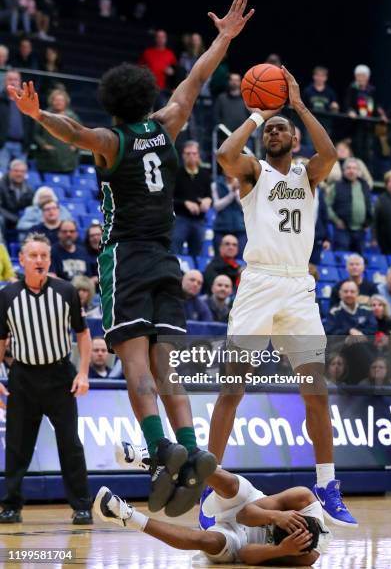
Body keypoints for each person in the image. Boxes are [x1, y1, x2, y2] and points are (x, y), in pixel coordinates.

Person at [7, 0, 255, 517]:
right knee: (170, 369)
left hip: (127, 261)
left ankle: (162, 448)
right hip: (169, 260)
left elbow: (73, 132)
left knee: (136, 363)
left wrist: (37, 114)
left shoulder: (112, 141)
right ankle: (191, 447)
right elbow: (194, 82)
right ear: (145, 96)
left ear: (113, 102)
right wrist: (224, 38)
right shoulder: (168, 124)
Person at [207, 65, 357, 526]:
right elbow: (224, 155)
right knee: (233, 387)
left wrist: (298, 106)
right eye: (269, 129)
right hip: (259, 283)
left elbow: (329, 152)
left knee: (316, 389)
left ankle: (327, 485)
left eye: (281, 129)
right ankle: (208, 492)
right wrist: (257, 113)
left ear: (293, 140)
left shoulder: (308, 175)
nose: (274, 131)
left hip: (298, 287)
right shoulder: (253, 173)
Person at [0, 233, 93, 525]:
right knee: (17, 445)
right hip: (23, 376)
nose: (39, 260)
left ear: (50, 260)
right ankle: (11, 506)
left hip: (59, 376)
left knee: (70, 443)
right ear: (22, 260)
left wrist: (83, 372)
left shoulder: (66, 291)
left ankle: (81, 506)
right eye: (34, 255)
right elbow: (1, 340)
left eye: (44, 255)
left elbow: (83, 333)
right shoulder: (7, 296)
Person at [94, 456, 331, 566]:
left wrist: (280, 549)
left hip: (242, 539)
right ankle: (155, 461)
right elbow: (244, 514)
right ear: (298, 515)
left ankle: (125, 516)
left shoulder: (305, 554)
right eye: (286, 526)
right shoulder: (303, 498)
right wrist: (276, 516)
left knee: (207, 540)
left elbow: (247, 553)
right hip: (252, 507)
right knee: (231, 484)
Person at [171, 140, 212, 257]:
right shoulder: (176, 174)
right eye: (188, 153)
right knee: (176, 252)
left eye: (194, 153)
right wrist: (185, 203)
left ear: (198, 155)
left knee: (198, 255)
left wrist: (208, 200)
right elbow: (169, 199)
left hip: (199, 220)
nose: (191, 157)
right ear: (183, 156)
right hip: (180, 219)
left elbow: (209, 196)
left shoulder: (205, 175)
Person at [325, 158, 372, 254]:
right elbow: (327, 206)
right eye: (349, 168)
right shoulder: (337, 186)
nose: (351, 171)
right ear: (344, 170)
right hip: (342, 230)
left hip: (360, 230)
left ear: (358, 171)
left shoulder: (364, 185)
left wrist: (368, 221)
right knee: (342, 257)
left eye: (354, 168)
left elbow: (369, 205)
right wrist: (336, 220)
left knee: (359, 260)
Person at [34, 88, 80, 173]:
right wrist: (44, 145)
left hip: (68, 159)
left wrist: (75, 146)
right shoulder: (43, 115)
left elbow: (80, 135)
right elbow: (35, 134)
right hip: (48, 158)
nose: (58, 102)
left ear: (66, 102)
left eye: (61, 100)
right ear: (51, 101)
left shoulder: (73, 117)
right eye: (56, 100)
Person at [0, 70, 33, 170]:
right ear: (5, 81)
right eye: (10, 79)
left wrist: (28, 143)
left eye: (15, 79)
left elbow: (32, 124)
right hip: (2, 145)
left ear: (20, 82)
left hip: (21, 146)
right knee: (1, 175)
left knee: (20, 175)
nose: (13, 82)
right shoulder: (0, 100)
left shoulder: (26, 101)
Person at [211, 172, 246, 257]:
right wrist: (231, 194)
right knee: (219, 258)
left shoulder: (243, 184)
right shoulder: (215, 184)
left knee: (241, 259)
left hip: (240, 228)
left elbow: (245, 205)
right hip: (221, 227)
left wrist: (236, 191)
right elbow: (216, 206)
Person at [0, 159, 34, 235]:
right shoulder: (1, 185)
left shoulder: (29, 189)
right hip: (5, 217)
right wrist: (15, 219)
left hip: (19, 218)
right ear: (10, 171)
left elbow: (31, 207)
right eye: (16, 171)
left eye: (22, 171)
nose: (19, 174)